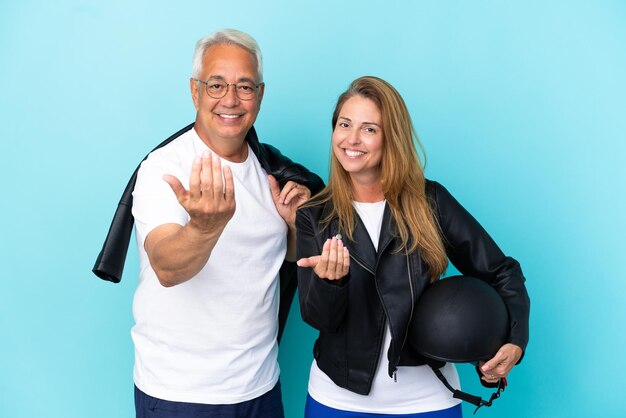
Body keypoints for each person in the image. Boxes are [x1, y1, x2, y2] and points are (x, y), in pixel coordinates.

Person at [102, 29, 324, 418]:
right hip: (178, 393)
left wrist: (294, 226)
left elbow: (280, 257)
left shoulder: (272, 170)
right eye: (217, 85)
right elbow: (167, 268)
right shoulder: (163, 168)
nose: (231, 100)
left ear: (260, 94)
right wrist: (204, 228)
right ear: (195, 91)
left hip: (260, 389)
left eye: (245, 87)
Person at [295, 76, 530, 418]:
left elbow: (501, 271)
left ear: (392, 138)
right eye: (344, 124)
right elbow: (317, 318)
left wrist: (515, 342)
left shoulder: (430, 201)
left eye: (369, 129)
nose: (352, 139)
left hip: (427, 401)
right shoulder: (314, 215)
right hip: (337, 400)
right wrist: (332, 283)